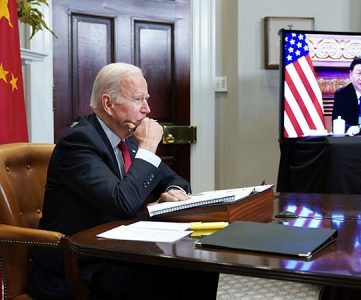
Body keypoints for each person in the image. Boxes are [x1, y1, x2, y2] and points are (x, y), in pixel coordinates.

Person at [27, 62, 219, 299]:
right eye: (138, 99)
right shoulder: (78, 143)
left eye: (146, 99)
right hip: (80, 263)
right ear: (108, 103)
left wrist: (174, 191)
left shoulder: (127, 138)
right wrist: (148, 147)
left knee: (200, 266)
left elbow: (175, 180)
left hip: (120, 251)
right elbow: (123, 202)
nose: (147, 109)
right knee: (165, 277)